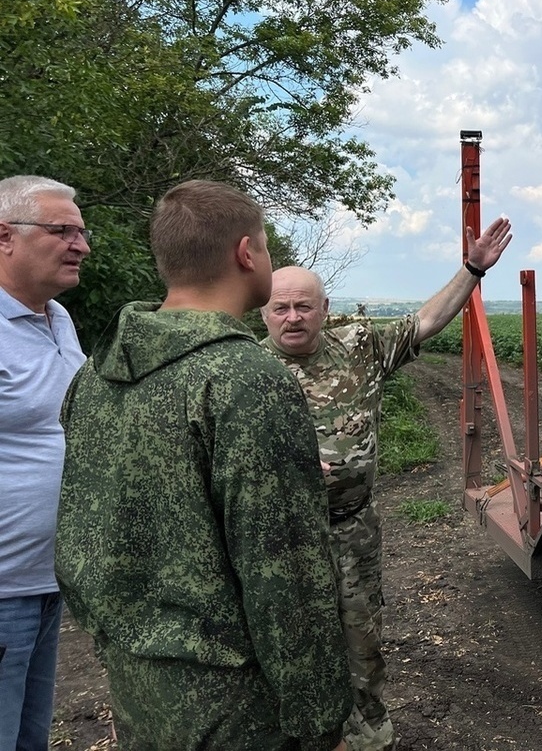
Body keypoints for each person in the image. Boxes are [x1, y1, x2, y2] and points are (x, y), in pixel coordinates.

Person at [55, 180, 352, 750]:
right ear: (247, 253)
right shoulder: (245, 381)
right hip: (235, 703)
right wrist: (319, 720)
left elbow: (79, 531)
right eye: (265, 245)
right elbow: (285, 574)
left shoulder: (93, 375)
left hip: (136, 683)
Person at [262, 216, 512, 751]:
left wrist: (471, 269)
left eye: (303, 306)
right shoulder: (243, 372)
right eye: (280, 307)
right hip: (278, 543)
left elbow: (425, 321)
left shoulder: (358, 347)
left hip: (352, 532)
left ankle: (369, 735)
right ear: (263, 310)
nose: (292, 317)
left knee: (362, 638)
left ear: (324, 310)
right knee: (286, 648)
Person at [0, 176, 90, 751]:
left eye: (82, 231)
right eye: (62, 231)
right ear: (4, 237)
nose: (81, 244)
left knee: (29, 737)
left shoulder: (58, 319)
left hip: (46, 580)